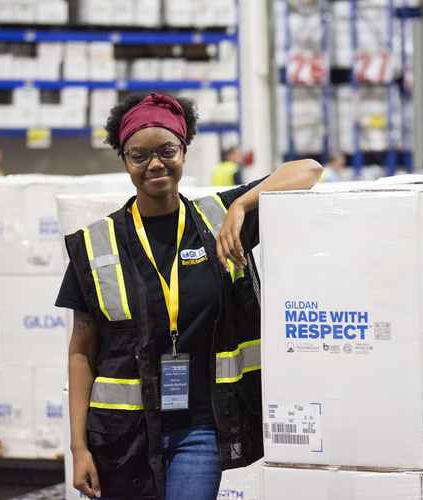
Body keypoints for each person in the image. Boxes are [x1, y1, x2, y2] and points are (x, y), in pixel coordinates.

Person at [55, 92, 322, 500]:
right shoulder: (96, 245)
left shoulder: (218, 219)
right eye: (138, 155)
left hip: (198, 429)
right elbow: (82, 350)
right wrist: (78, 448)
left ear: (184, 149)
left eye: (167, 150)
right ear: (124, 160)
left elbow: (308, 170)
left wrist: (243, 205)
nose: (155, 164)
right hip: (121, 436)